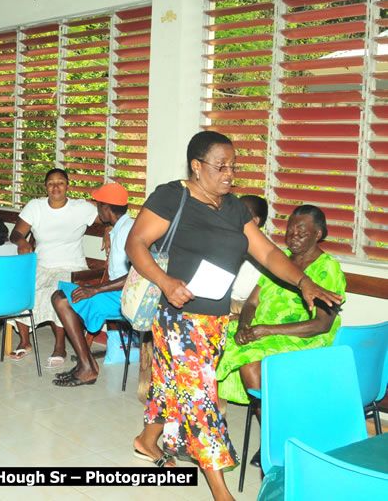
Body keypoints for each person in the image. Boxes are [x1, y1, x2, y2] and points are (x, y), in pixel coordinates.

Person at [125, 131, 341, 501]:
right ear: (197, 165)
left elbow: (270, 254)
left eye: (233, 166)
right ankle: (222, 493)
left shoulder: (235, 207)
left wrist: (304, 281)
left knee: (174, 383)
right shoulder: (172, 196)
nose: (229, 173)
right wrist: (165, 281)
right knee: (200, 399)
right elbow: (136, 243)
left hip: (215, 320)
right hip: (179, 318)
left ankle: (147, 441)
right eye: (220, 165)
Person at [217, 205, 345, 467]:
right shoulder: (280, 260)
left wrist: (265, 330)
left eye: (302, 231)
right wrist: (244, 327)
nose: (293, 235)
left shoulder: (327, 268)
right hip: (265, 332)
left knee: (250, 364)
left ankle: (276, 438)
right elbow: (251, 303)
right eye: (290, 230)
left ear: (318, 234)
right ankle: (213, 427)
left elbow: (321, 325)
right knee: (215, 339)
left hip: (305, 339)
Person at [9, 168, 99, 369]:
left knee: (56, 293)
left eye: (60, 182)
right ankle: (24, 341)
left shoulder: (81, 207)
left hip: (72, 266)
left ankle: (60, 347)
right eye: (51, 183)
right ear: (45, 187)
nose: (56, 187)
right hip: (41, 265)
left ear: (68, 186)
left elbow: (110, 217)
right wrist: (22, 241)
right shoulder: (36, 206)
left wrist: (110, 230)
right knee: (20, 289)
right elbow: (15, 233)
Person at [50, 184, 134, 386]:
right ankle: (86, 363)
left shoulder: (127, 232)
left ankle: (87, 366)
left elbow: (134, 276)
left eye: (98, 206)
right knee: (62, 294)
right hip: (116, 292)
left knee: (62, 300)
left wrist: (95, 289)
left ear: (106, 209)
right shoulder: (121, 227)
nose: (97, 210)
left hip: (125, 297)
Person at [229, 195, 268, 314]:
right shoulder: (226, 243)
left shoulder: (265, 256)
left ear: (255, 221)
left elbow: (257, 304)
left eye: (240, 213)